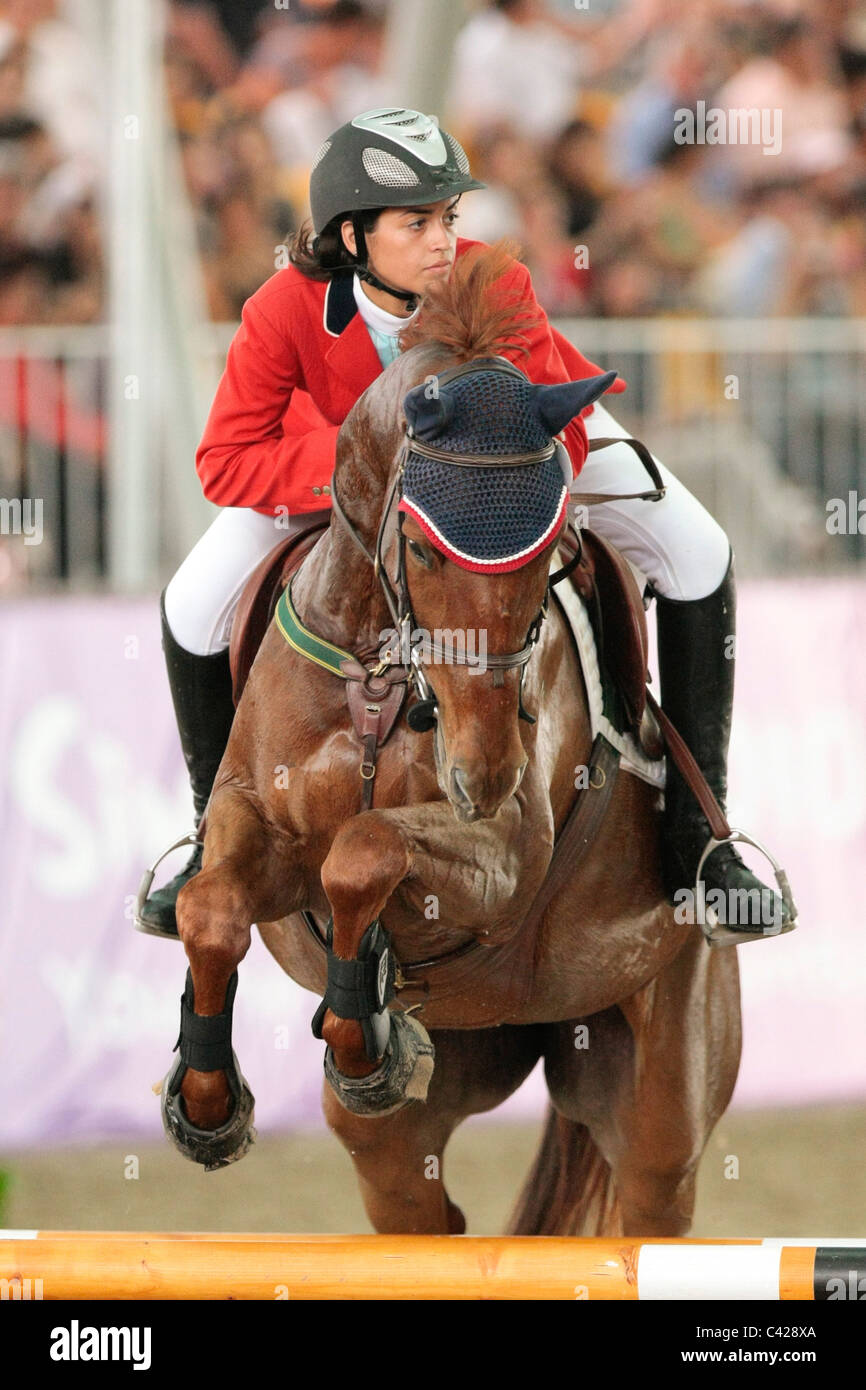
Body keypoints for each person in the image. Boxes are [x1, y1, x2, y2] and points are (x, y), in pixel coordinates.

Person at [137, 106, 792, 942]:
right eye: (418, 222)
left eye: (448, 217)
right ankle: (207, 839)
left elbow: (568, 424)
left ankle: (701, 839)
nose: (445, 239)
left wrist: (499, 465)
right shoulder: (280, 310)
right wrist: (365, 470)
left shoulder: (494, 281)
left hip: (515, 459)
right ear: (352, 235)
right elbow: (226, 463)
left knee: (698, 549)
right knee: (192, 603)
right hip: (349, 488)